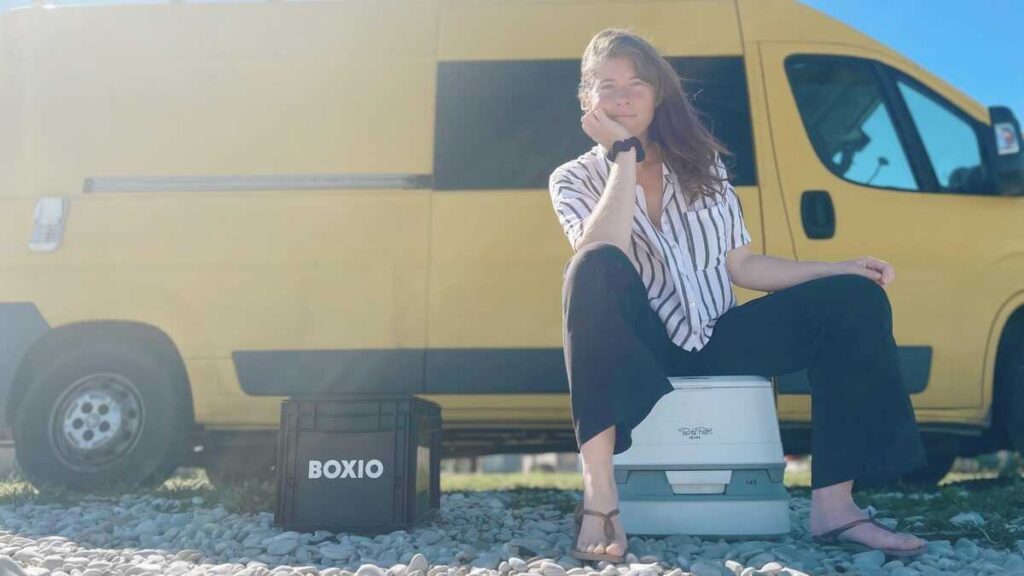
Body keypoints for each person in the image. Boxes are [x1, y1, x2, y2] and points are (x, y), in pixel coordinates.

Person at [548, 28, 930, 563]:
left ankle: (835, 510)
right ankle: (600, 494)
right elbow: (602, 251)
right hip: (640, 346)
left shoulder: (702, 168)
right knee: (589, 266)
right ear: (589, 100)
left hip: (716, 333)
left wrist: (835, 270)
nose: (624, 96)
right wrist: (623, 160)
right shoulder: (573, 178)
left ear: (658, 93)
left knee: (855, 298)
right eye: (608, 86)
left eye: (637, 82)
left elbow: (742, 265)